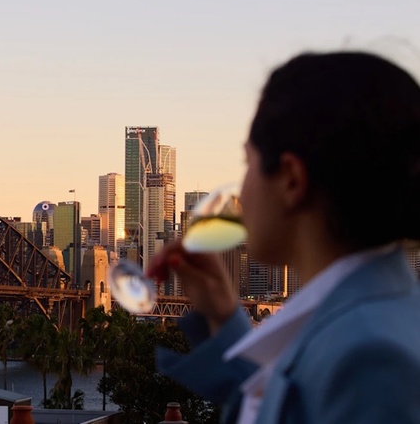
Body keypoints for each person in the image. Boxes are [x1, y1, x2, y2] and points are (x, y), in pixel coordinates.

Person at [150, 51, 420, 423]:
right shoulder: (367, 319)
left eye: (248, 163)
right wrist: (224, 315)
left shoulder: (369, 361)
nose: (241, 191)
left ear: (291, 179)